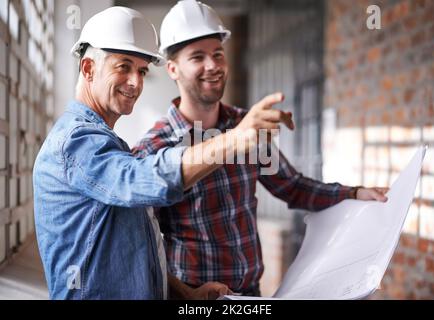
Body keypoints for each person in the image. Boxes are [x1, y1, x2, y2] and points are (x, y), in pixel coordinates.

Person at [33, 6, 292, 300]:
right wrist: (234, 139)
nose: (136, 82)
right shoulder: (75, 142)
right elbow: (143, 178)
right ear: (89, 68)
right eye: (124, 66)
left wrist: (185, 294)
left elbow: (137, 256)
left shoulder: (107, 144)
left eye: (142, 71)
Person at [132, 0, 389, 297]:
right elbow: (144, 244)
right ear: (173, 69)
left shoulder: (247, 126)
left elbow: (292, 187)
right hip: (195, 297)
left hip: (251, 294)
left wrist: (354, 193)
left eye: (218, 54)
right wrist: (181, 293)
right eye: (197, 57)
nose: (212, 65)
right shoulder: (154, 148)